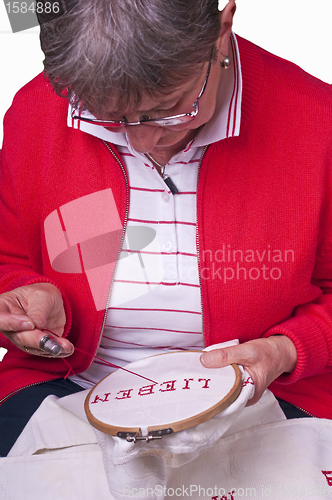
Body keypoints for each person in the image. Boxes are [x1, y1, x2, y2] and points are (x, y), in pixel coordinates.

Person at [0, 0, 332, 457]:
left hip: (269, 399)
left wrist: (284, 351)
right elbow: (10, 259)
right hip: (69, 388)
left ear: (221, 30)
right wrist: (26, 293)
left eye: (170, 108)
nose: (142, 141)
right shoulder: (37, 113)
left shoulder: (317, 123)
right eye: (110, 118)